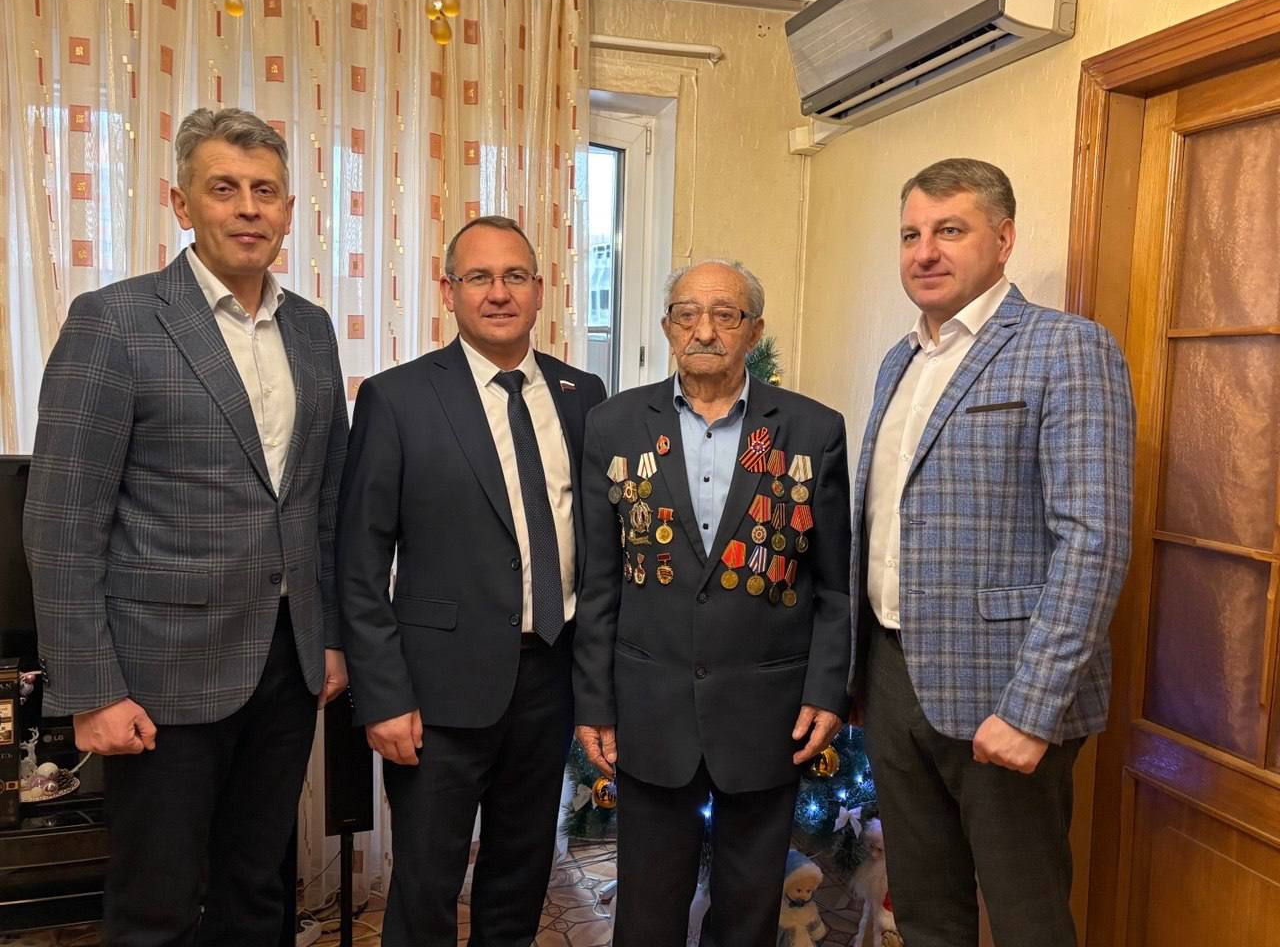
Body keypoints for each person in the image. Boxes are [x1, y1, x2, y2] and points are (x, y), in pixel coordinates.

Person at [24, 107, 349, 946]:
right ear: (181, 203)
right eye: (224, 188)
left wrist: (330, 639)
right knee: (157, 907)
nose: (247, 208)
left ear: (287, 211)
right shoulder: (114, 321)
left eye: (265, 191)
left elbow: (322, 502)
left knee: (259, 892)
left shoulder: (312, 329)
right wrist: (92, 692)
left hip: (285, 665)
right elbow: (62, 521)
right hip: (158, 676)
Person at [850, 157, 1135, 947]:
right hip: (894, 678)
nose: (924, 252)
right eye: (910, 234)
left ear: (1003, 240)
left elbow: (1094, 540)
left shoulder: (1066, 348)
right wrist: (859, 675)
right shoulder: (900, 360)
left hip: (1005, 691)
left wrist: (1031, 709)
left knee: (1026, 919)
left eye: (949, 230)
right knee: (924, 913)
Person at [337, 215, 606, 946]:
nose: (498, 293)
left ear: (541, 290)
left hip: (550, 679)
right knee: (426, 884)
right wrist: (383, 697)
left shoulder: (582, 394)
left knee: (521, 873)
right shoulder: (397, 398)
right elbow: (359, 564)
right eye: (479, 277)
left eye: (515, 276)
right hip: (437, 692)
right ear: (448, 290)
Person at [574, 259, 852, 947]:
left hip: (767, 714)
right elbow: (600, 582)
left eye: (725, 315)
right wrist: (595, 704)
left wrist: (827, 691)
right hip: (650, 710)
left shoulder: (812, 430)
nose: (705, 330)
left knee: (748, 915)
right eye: (687, 314)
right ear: (667, 327)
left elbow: (832, 584)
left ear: (753, 331)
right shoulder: (613, 426)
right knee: (647, 915)